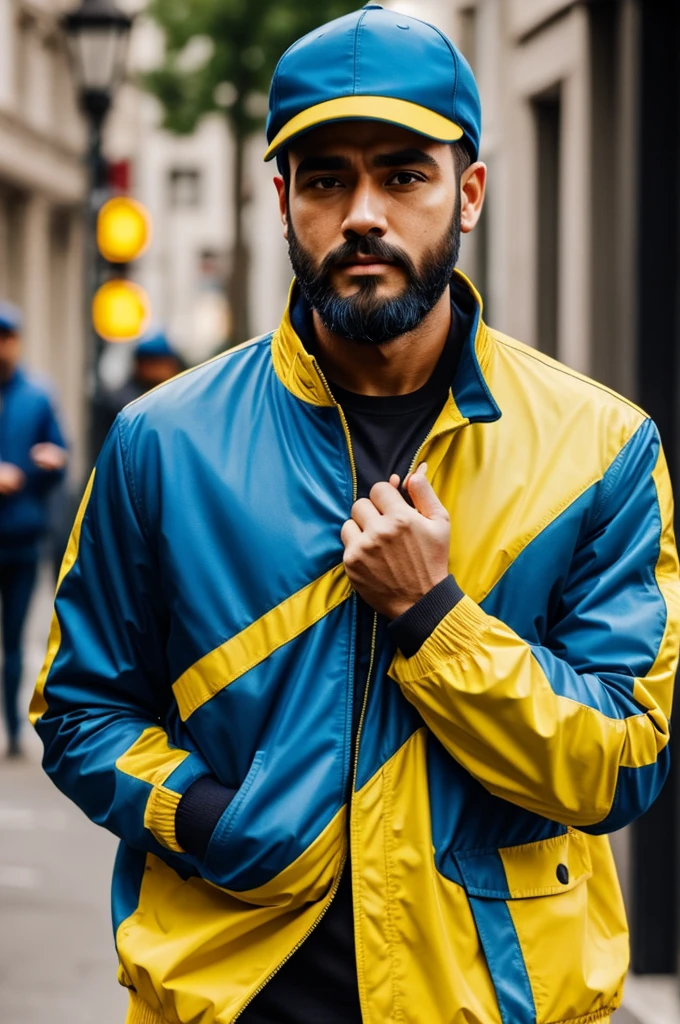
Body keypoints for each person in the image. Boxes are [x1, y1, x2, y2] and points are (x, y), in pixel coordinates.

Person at [31, 6, 679, 1024]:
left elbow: (619, 763)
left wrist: (433, 616)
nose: (361, 213)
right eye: (326, 178)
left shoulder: (595, 449)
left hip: (492, 1004)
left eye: (401, 174)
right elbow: (78, 710)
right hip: (231, 997)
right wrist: (205, 818)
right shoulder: (164, 442)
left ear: (466, 193)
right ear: (282, 198)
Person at [0, 301, 67, 758]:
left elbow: (59, 454)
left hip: (23, 537)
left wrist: (46, 465)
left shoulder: (37, 396)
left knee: (15, 639)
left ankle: (12, 731)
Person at [93, 327, 184, 451]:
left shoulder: (175, 396)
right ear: (140, 364)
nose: (162, 370)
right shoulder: (124, 403)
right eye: (154, 363)